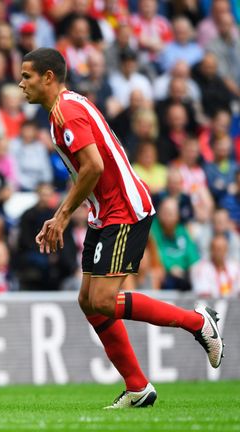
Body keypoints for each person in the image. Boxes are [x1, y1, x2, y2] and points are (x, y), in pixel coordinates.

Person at [18, 48, 223, 409]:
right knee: (88, 301)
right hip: (105, 212)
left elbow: (93, 167)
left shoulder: (66, 112)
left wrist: (63, 215)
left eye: (27, 76)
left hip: (124, 210)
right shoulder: (62, 110)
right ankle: (138, 386)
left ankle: (197, 322)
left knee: (101, 300)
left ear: (48, 77)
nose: (21, 84)